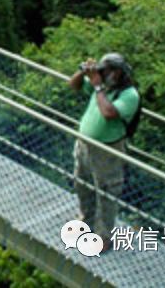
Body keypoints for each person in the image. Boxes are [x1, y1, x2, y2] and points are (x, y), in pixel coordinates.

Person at [68, 52, 140, 250]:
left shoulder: (128, 94)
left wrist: (98, 85)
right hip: (84, 145)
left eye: (107, 71)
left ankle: (104, 237)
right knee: (82, 184)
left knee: (106, 193)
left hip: (108, 151)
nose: (104, 74)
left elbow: (109, 113)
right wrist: (83, 71)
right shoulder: (101, 85)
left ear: (118, 72)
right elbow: (73, 85)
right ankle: (86, 221)